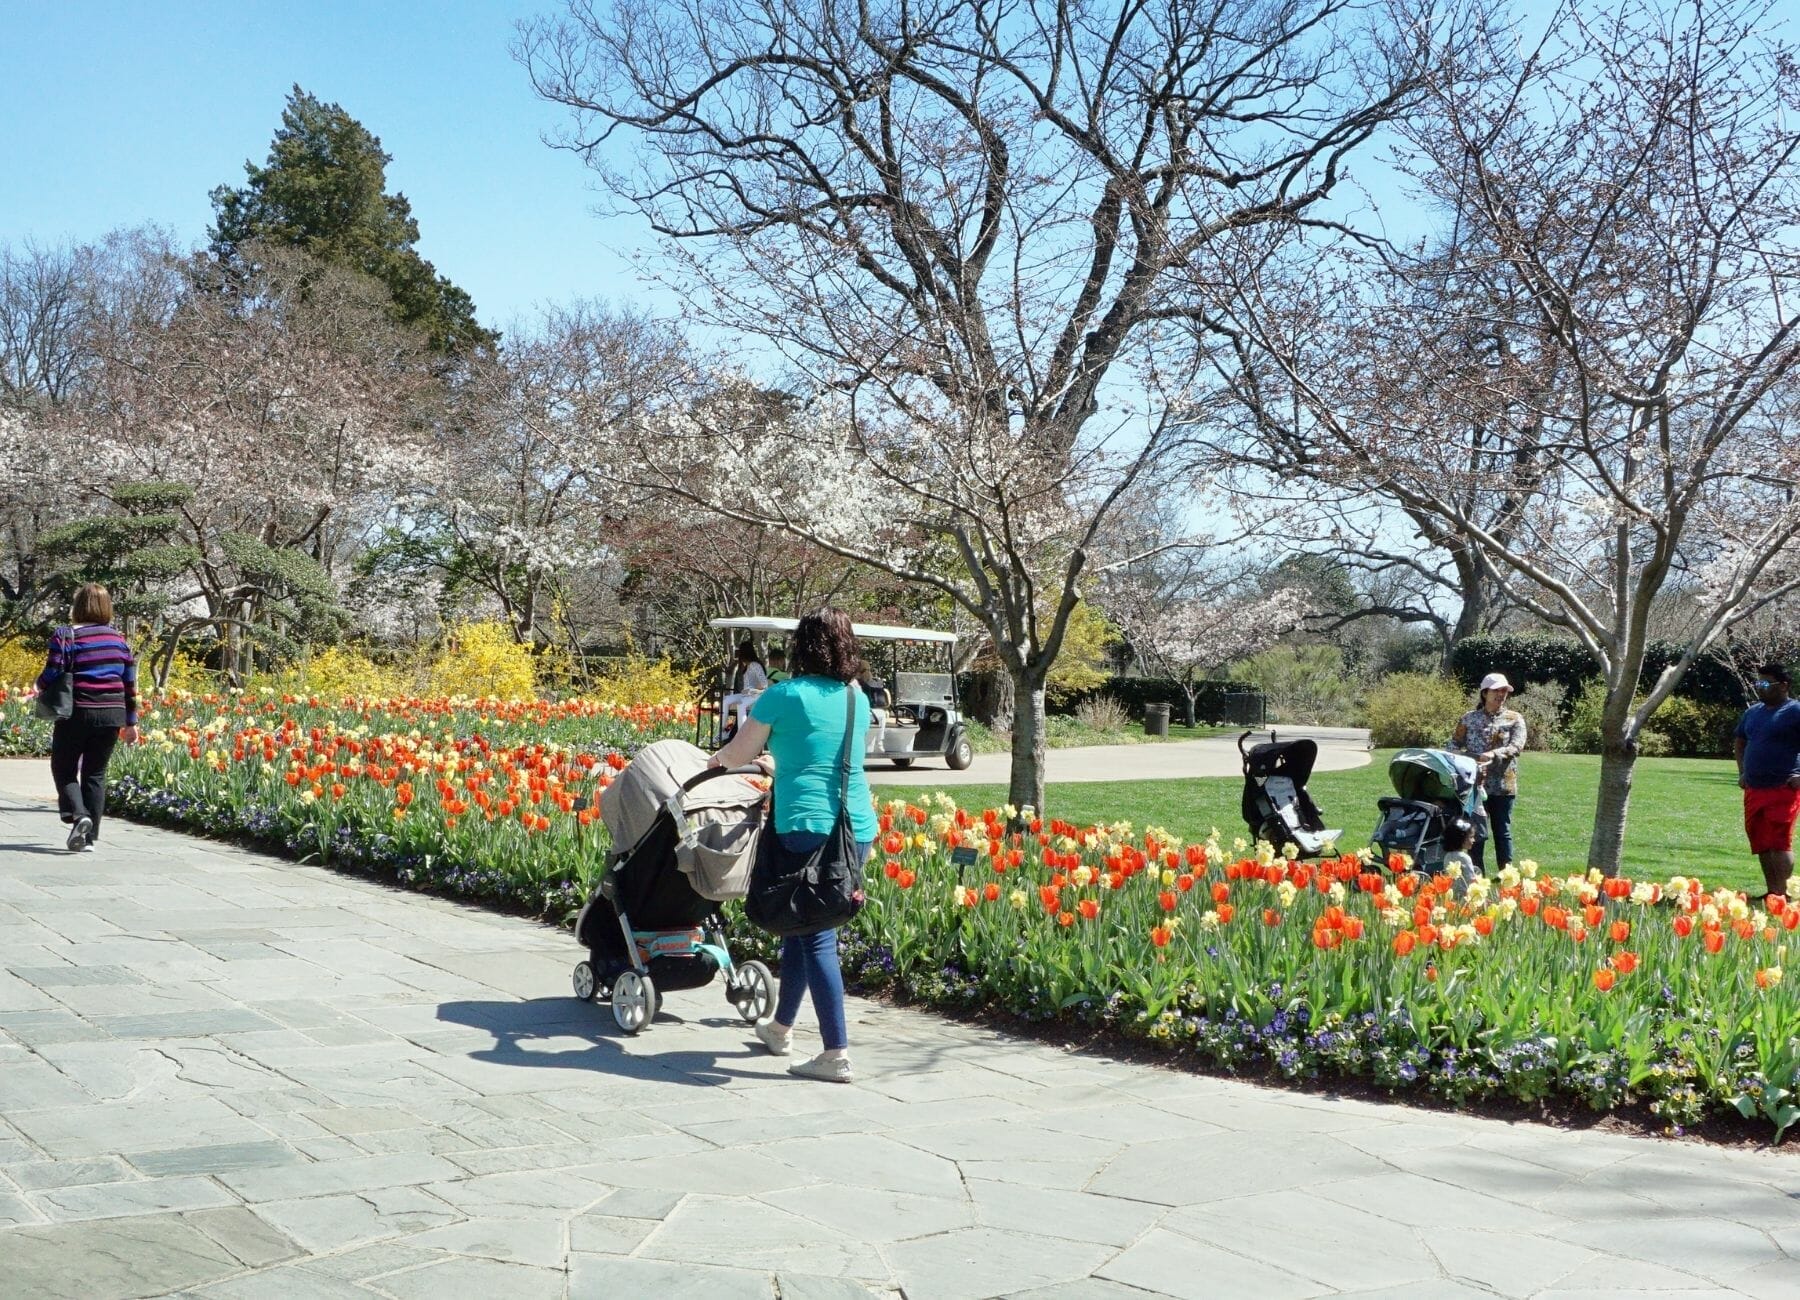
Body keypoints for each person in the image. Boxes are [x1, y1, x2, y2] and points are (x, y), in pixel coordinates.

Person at [711, 608, 875, 1083]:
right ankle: (780, 1028)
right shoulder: (854, 699)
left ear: (804, 646)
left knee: (816, 933)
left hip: (804, 824)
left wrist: (714, 760)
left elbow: (737, 753)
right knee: (808, 925)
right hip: (855, 825)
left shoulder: (784, 695)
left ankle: (836, 1053)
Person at [38, 584, 138, 853]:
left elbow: (53, 672)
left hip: (77, 712)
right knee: (95, 774)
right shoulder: (119, 642)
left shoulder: (66, 635)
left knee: (64, 768)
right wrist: (131, 722)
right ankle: (89, 838)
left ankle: (79, 815)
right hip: (112, 714)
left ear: (78, 606)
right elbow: (129, 685)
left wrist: (40, 686)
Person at [1734, 663, 1800, 904]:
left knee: (1779, 841)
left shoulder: (1795, 711)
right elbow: (1740, 742)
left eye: (1764, 683)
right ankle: (1772, 892)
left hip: (1783, 787)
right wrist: (1742, 772)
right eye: (1757, 683)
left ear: (1783, 686)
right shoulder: (1752, 712)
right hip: (1754, 788)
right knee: (1761, 840)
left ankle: (1783, 894)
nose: (1758, 688)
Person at [1449, 672, 1527, 873]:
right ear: (1485, 693)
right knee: (1475, 833)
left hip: (1503, 786)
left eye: (1504, 691)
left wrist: (1493, 754)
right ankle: (1477, 873)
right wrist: (1462, 756)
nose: (1501, 694)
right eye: (1497, 690)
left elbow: (1516, 746)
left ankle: (1506, 875)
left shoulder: (1514, 719)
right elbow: (1453, 744)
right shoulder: (1468, 718)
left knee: (1502, 832)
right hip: (1474, 786)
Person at [719, 641, 769, 737]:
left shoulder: (755, 665)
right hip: (747, 694)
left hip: (756, 695)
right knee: (726, 700)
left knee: (741, 705)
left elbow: (764, 684)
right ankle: (725, 731)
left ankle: (742, 735)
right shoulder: (748, 665)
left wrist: (752, 690)